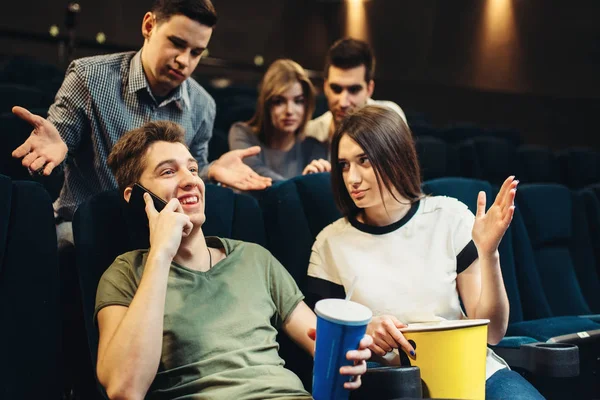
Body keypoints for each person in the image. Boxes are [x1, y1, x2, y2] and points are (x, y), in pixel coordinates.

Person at [95, 120, 372, 399]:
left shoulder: (254, 258)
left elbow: (324, 346)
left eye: (193, 169)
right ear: (135, 197)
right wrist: (160, 255)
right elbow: (124, 388)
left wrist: (354, 347)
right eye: (168, 171)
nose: (191, 180)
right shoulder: (126, 274)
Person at [307, 106, 544, 399]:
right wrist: (366, 330)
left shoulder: (449, 215)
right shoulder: (329, 244)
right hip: (392, 384)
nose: (352, 178)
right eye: (343, 165)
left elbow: (492, 332)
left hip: (471, 370)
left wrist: (489, 254)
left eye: (364, 161)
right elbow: (326, 346)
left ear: (394, 157)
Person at [10, 0, 271, 245]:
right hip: (86, 224)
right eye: (177, 43)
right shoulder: (89, 77)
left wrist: (209, 171)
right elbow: (53, 154)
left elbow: (190, 174)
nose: (184, 60)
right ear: (149, 26)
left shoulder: (203, 105)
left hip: (163, 230)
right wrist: (49, 157)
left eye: (196, 52)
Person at [228, 59, 330, 181]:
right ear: (266, 104)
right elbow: (257, 176)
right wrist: (301, 186)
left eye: (298, 101)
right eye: (279, 101)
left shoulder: (314, 147)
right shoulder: (242, 133)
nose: (289, 111)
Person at [305, 38, 407, 146]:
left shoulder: (389, 118)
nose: (343, 103)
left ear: (369, 89)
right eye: (336, 89)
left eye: (354, 90)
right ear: (325, 87)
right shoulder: (311, 133)